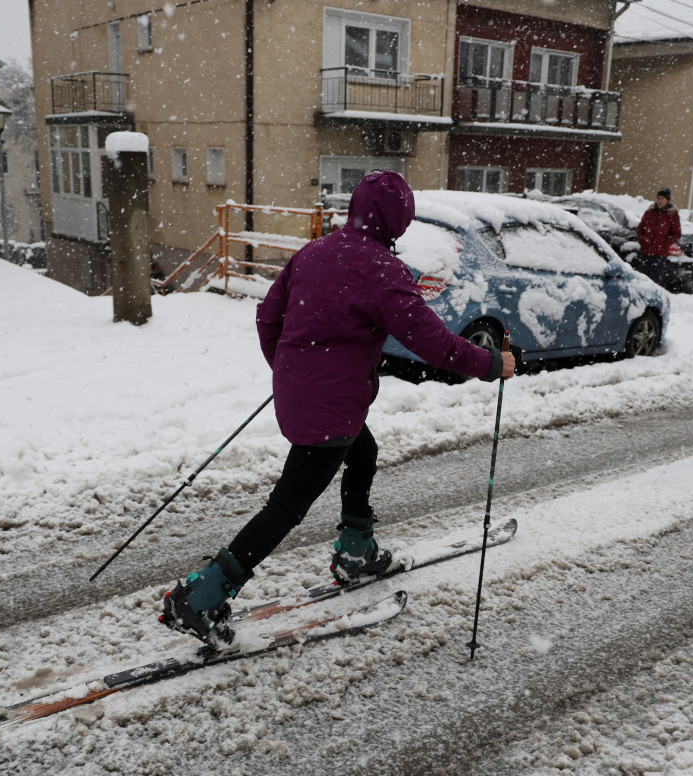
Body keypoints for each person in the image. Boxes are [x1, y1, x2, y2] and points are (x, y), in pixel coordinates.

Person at [161, 170, 516, 646]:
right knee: (287, 505)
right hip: (330, 404)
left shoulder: (315, 252)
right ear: (398, 219)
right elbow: (434, 344)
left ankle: (355, 552)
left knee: (362, 452)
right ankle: (200, 598)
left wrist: (290, 367)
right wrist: (492, 363)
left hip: (313, 394)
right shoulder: (383, 271)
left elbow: (269, 317)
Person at [635, 188, 682, 287]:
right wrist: (642, 240)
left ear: (667, 200)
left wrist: (665, 244)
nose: (660, 201)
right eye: (659, 198)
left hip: (659, 256)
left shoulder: (672, 215)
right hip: (645, 252)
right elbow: (641, 228)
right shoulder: (650, 212)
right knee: (642, 281)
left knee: (655, 282)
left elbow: (676, 234)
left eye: (663, 199)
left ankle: (653, 302)